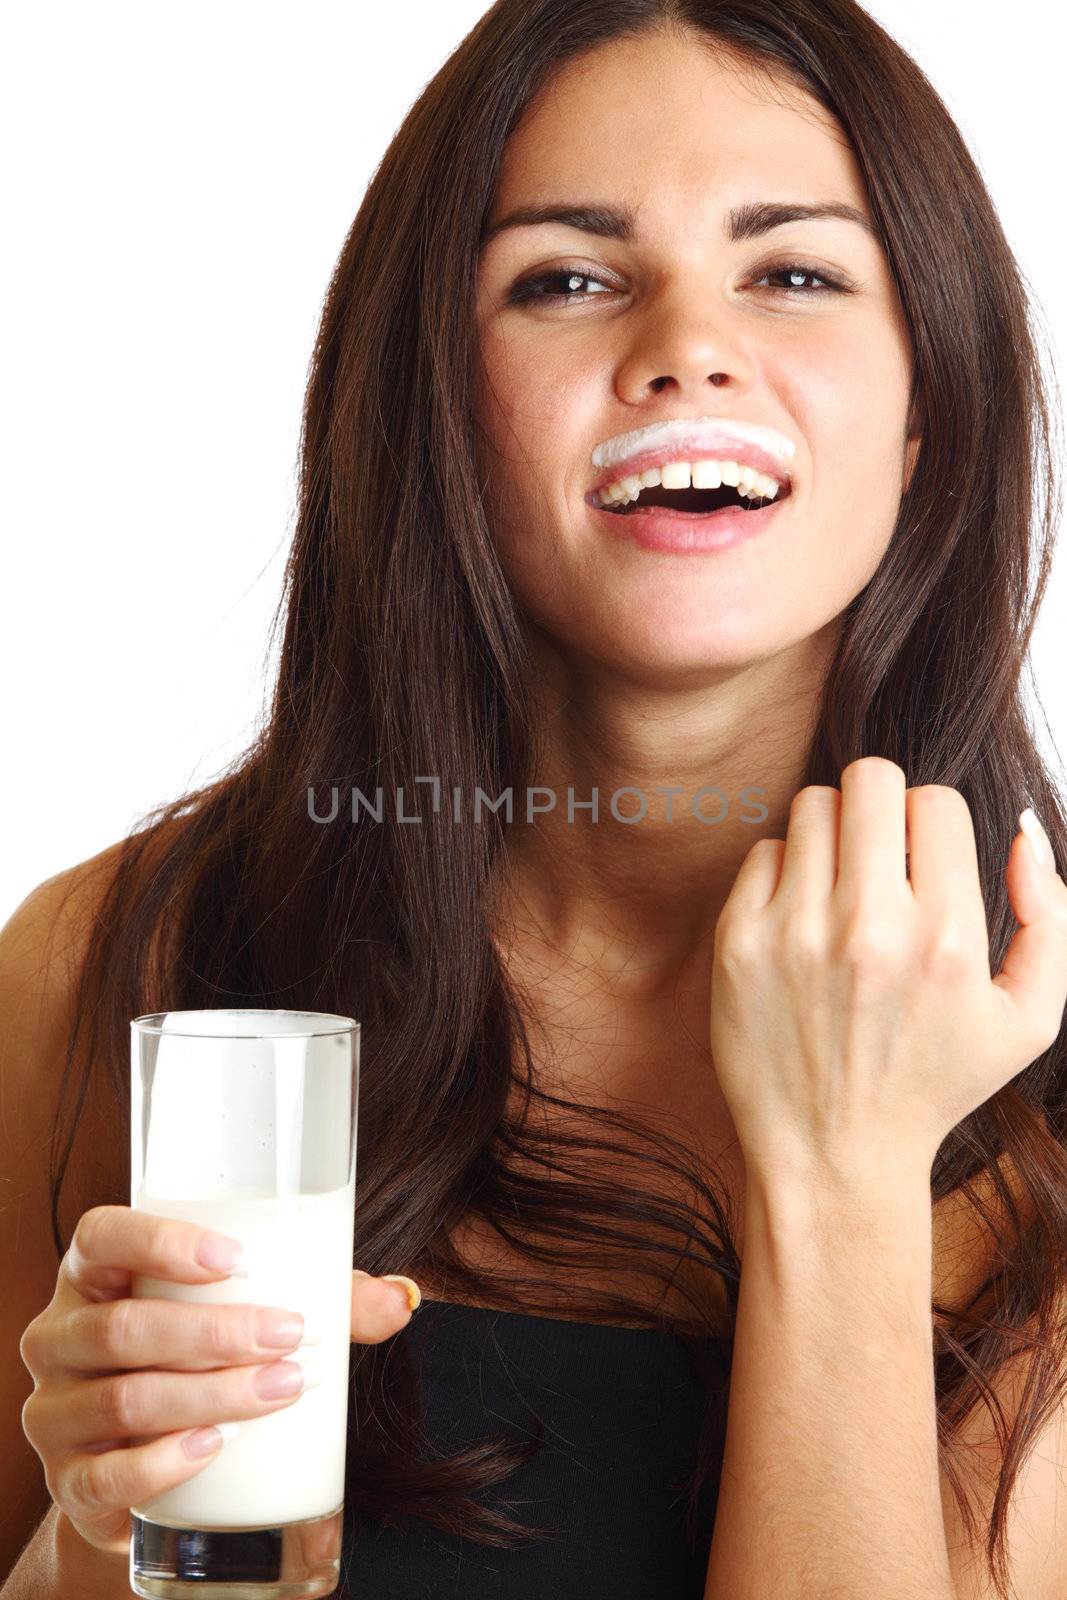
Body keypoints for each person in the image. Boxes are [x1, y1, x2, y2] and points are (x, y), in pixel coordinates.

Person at [3, 1, 1067, 1597]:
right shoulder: (115, 968)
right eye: (568, 277)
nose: (687, 349)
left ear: (929, 406)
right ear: (436, 394)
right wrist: (105, 1523)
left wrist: (842, 1186)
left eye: (793, 272)